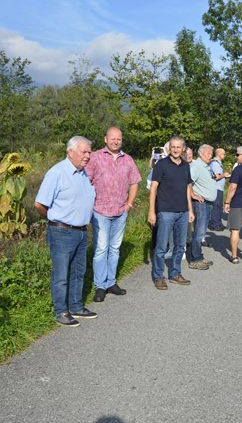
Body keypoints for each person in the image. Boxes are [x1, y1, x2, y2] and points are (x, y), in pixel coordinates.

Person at [35, 136, 97, 327]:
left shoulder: (83, 174)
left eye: (89, 152)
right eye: (83, 152)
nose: (87, 156)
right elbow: (39, 204)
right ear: (70, 152)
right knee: (61, 274)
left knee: (79, 272)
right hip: (62, 232)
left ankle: (76, 306)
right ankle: (61, 311)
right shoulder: (57, 173)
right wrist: (55, 219)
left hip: (80, 231)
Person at [85, 127, 141, 303]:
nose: (116, 141)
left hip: (120, 211)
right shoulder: (95, 157)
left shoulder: (128, 160)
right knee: (101, 249)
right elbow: (85, 180)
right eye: (113, 138)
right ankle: (100, 285)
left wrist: (129, 203)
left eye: (119, 139)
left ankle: (111, 282)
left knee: (114, 249)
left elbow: (135, 182)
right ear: (105, 139)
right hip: (100, 211)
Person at [148, 136, 194, 290]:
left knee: (180, 246)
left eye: (178, 147)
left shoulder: (186, 166)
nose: (175, 149)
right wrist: (152, 212)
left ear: (183, 149)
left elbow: (188, 189)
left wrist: (190, 210)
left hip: (183, 212)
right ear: (169, 148)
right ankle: (159, 276)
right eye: (173, 147)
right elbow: (153, 188)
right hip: (165, 212)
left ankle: (175, 273)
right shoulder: (161, 165)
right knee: (161, 247)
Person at [189, 144, 218, 270]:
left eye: (211, 154)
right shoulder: (196, 165)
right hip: (200, 203)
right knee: (199, 231)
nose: (210, 156)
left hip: (207, 203)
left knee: (202, 231)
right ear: (201, 154)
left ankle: (199, 255)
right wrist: (193, 195)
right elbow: (188, 181)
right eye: (208, 153)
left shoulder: (206, 166)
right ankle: (195, 259)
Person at [209, 148, 230, 231]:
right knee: (216, 206)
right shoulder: (215, 163)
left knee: (219, 206)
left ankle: (218, 223)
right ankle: (215, 224)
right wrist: (224, 175)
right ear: (219, 154)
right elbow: (217, 176)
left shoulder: (218, 163)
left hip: (219, 188)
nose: (224, 155)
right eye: (223, 154)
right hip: (216, 188)